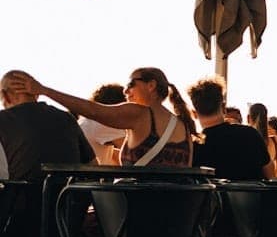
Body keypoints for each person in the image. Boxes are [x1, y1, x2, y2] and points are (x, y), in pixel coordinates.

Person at [0, 69, 96, 237]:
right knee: (40, 200)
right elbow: (92, 167)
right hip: (66, 221)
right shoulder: (65, 118)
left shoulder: (3, 121)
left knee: (24, 201)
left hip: (17, 221)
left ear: (5, 95)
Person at [6, 68, 193, 167]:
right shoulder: (183, 126)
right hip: (178, 220)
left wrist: (44, 90)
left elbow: (93, 111)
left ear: (151, 85)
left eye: (131, 84)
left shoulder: (138, 113)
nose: (125, 91)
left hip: (140, 213)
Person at [189, 78, 273, 181]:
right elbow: (270, 175)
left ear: (194, 113)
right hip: (252, 196)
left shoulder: (194, 147)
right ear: (223, 107)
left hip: (214, 197)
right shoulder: (250, 134)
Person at [77, 83, 126, 164]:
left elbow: (113, 154)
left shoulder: (88, 121)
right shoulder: (104, 123)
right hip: (94, 175)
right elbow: (132, 150)